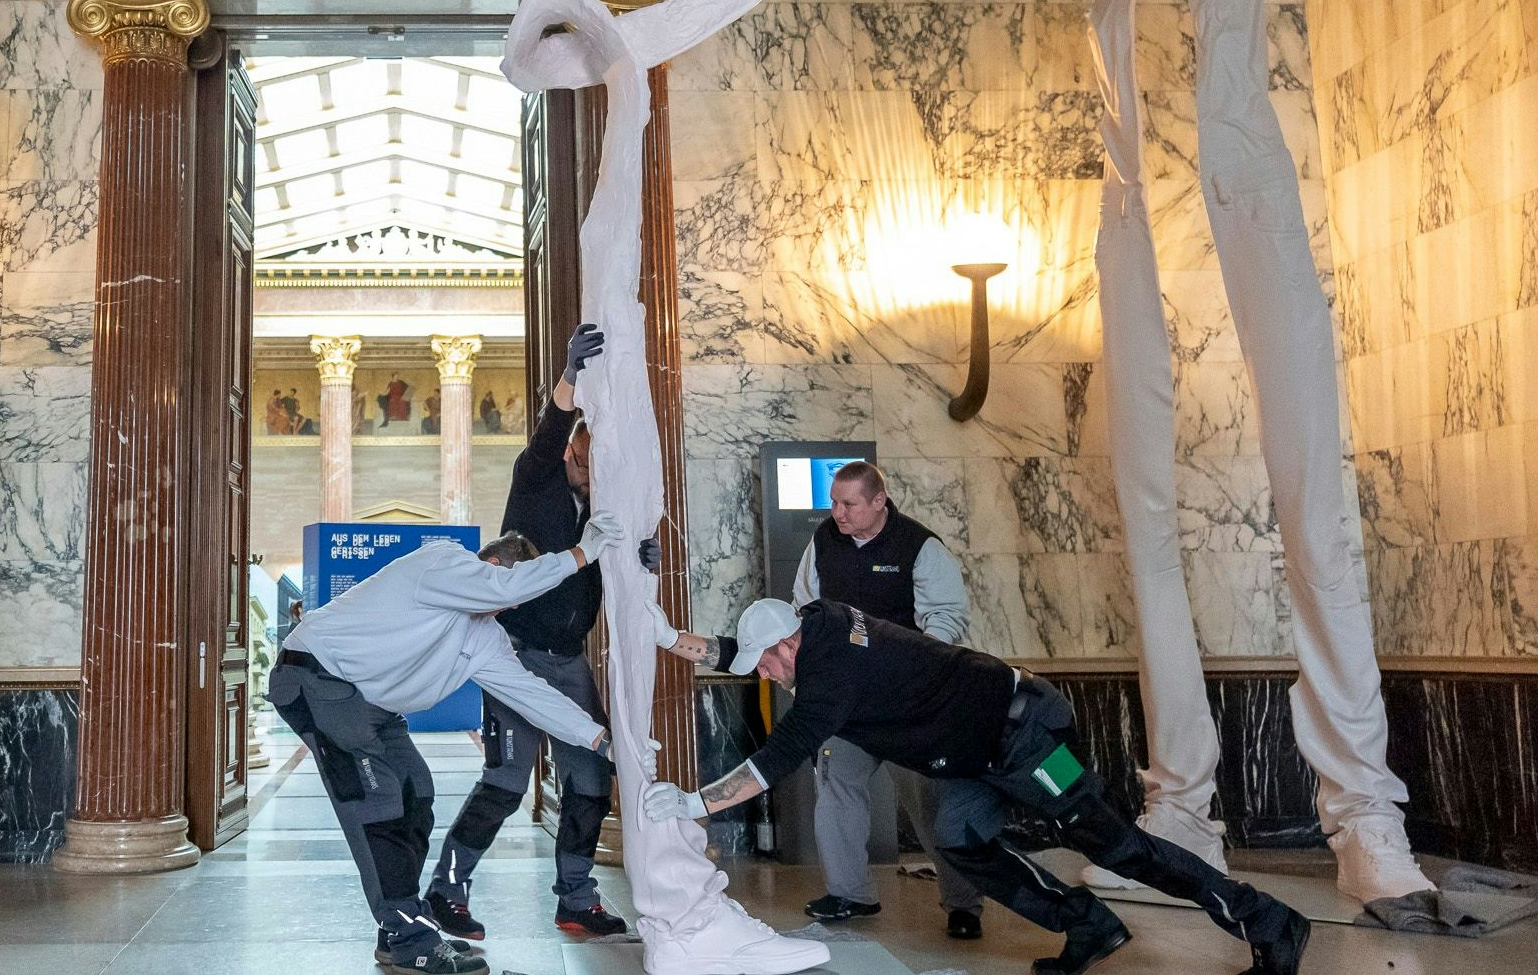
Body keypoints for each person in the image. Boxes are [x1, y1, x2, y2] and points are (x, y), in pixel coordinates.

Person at [644, 598, 1310, 975]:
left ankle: (1273, 921)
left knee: (1118, 845)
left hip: (1032, 733)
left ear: (791, 643)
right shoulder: (812, 622)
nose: (764, 671)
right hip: (975, 755)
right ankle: (1089, 926)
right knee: (959, 838)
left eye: (770, 660)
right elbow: (739, 647)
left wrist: (694, 802)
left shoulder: (830, 676)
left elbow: (776, 758)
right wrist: (670, 636)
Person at [271, 520, 625, 975]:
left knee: (417, 791)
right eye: (510, 589)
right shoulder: (442, 561)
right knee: (377, 801)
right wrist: (582, 553)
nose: (513, 606)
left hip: (369, 703)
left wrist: (601, 740)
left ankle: (401, 925)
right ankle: (408, 939)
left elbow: (532, 694)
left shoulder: (486, 638)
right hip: (316, 678)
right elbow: (506, 586)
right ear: (493, 567)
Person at [424, 323, 670, 942]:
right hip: (517, 659)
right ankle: (446, 892)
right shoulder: (535, 479)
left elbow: (622, 575)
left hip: (569, 663)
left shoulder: (602, 508)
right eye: (588, 465)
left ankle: (577, 898)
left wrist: (642, 559)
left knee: (590, 780)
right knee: (504, 783)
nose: (594, 477)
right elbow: (548, 432)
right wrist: (568, 377)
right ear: (574, 456)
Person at [788, 461, 985, 938]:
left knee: (933, 802)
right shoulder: (822, 544)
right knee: (835, 784)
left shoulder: (920, 545)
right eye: (833, 502)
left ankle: (963, 904)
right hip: (849, 702)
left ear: (879, 501)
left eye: (849, 503)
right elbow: (804, 608)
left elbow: (945, 617)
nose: (838, 512)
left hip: (910, 703)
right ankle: (850, 893)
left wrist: (915, 670)